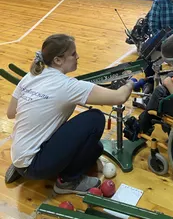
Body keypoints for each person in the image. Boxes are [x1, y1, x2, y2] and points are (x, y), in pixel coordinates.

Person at [6, 34, 134, 195]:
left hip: (19, 156)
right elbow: (120, 97)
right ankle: (67, 182)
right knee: (95, 118)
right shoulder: (67, 86)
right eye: (73, 54)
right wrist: (131, 82)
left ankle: (25, 167)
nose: (77, 56)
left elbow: (11, 113)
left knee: (96, 149)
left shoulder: (31, 76)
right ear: (58, 60)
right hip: (35, 164)